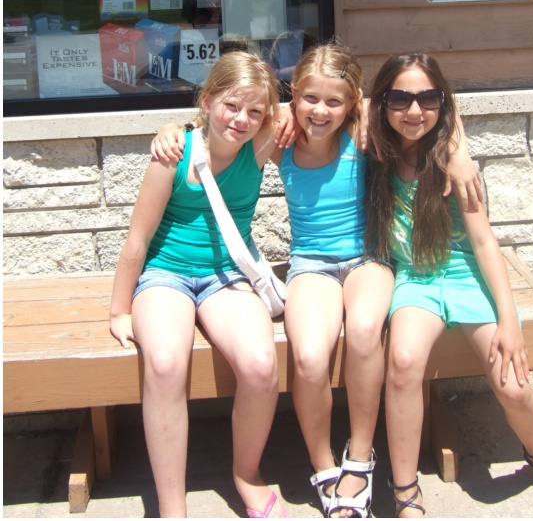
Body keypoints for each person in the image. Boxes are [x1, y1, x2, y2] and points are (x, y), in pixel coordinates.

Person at [151, 42, 482, 519]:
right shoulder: (280, 138)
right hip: (310, 264)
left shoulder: (363, 129)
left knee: (365, 329)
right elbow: (218, 129)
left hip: (368, 258)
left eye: (333, 101)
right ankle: (323, 463)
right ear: (294, 96)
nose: (320, 110)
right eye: (309, 99)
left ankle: (360, 458)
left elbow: (440, 109)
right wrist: (174, 130)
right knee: (308, 355)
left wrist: (461, 154)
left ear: (351, 103)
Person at [365, 52, 533, 517]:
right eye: (400, 98)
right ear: (382, 103)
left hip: (464, 273)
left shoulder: (452, 164)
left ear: (443, 102)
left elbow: (485, 243)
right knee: (403, 362)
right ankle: (404, 487)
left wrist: (509, 321)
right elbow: (334, 99)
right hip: (415, 278)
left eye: (428, 98)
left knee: (513, 386)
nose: (414, 110)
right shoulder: (376, 149)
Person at [109, 51, 291, 519]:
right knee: (166, 363)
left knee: (260, 366)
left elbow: (336, 103)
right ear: (207, 101)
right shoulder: (174, 154)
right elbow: (138, 239)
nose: (241, 119)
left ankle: (247, 475)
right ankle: (173, 506)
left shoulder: (259, 144)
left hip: (227, 276)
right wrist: (119, 310)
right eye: (231, 105)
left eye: (255, 111)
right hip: (165, 275)